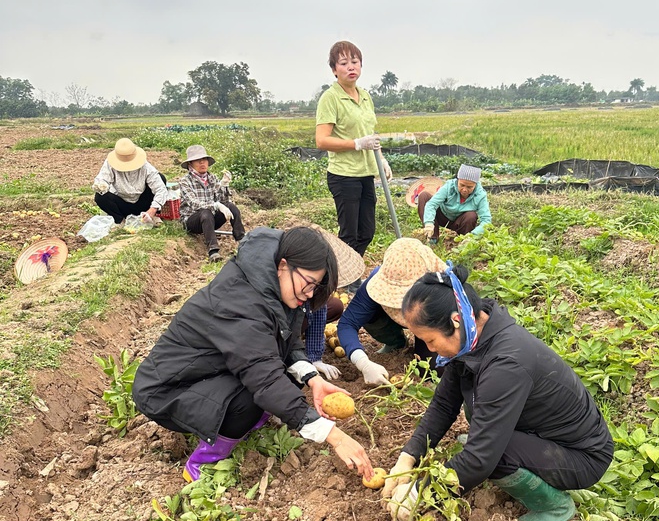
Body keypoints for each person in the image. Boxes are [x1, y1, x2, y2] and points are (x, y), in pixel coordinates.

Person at [132, 226, 373, 483]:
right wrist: (334, 436)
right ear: (283, 265)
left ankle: (240, 423)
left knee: (285, 380)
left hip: (209, 370)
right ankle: (204, 460)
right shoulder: (241, 302)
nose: (311, 293)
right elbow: (266, 381)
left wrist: (312, 378)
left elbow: (287, 341)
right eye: (309, 283)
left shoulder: (274, 286)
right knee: (252, 399)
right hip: (167, 389)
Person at [382, 264, 614, 521]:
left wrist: (420, 494)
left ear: (455, 321)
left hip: (581, 457)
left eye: (431, 340)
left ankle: (554, 506)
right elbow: (444, 404)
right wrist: (409, 456)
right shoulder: (472, 336)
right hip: (541, 434)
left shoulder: (506, 363)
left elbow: (480, 459)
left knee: (493, 454)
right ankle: (514, 454)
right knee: (483, 442)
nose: (431, 349)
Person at [315, 40, 392, 277]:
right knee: (349, 234)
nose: (351, 67)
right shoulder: (330, 98)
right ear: (334, 69)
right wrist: (357, 144)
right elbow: (322, 140)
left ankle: (350, 271)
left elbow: (371, 133)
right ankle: (339, 277)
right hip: (344, 175)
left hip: (365, 173)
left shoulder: (365, 96)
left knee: (366, 232)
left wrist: (381, 158)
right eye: (343, 63)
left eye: (355, 61)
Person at [337, 238, 445, 386]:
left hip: (430, 325)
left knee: (434, 369)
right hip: (390, 320)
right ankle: (395, 342)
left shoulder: (443, 285)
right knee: (369, 313)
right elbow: (347, 323)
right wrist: (362, 361)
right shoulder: (377, 280)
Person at [178, 144, 245, 262]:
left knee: (231, 206)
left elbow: (223, 200)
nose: (202, 163)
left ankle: (242, 240)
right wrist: (215, 205)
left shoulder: (212, 178)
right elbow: (194, 203)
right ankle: (213, 251)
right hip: (193, 220)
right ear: (190, 164)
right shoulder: (185, 181)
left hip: (211, 220)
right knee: (206, 212)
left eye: (204, 160)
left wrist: (224, 185)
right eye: (198, 160)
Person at [92, 138, 167, 225]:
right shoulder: (110, 164)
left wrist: (152, 210)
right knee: (100, 196)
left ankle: (153, 216)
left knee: (161, 178)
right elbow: (103, 179)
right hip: (122, 204)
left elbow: (160, 189)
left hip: (143, 203)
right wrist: (101, 185)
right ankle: (120, 220)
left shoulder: (145, 166)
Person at [418, 165, 492, 244]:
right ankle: (432, 237)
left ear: (475, 185)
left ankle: (464, 240)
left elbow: (486, 220)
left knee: (471, 215)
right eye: (462, 185)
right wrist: (429, 222)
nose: (464, 190)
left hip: (459, 222)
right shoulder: (449, 186)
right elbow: (432, 204)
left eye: (469, 187)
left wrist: (473, 235)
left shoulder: (480, 195)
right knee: (424, 196)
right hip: (442, 215)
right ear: (457, 180)